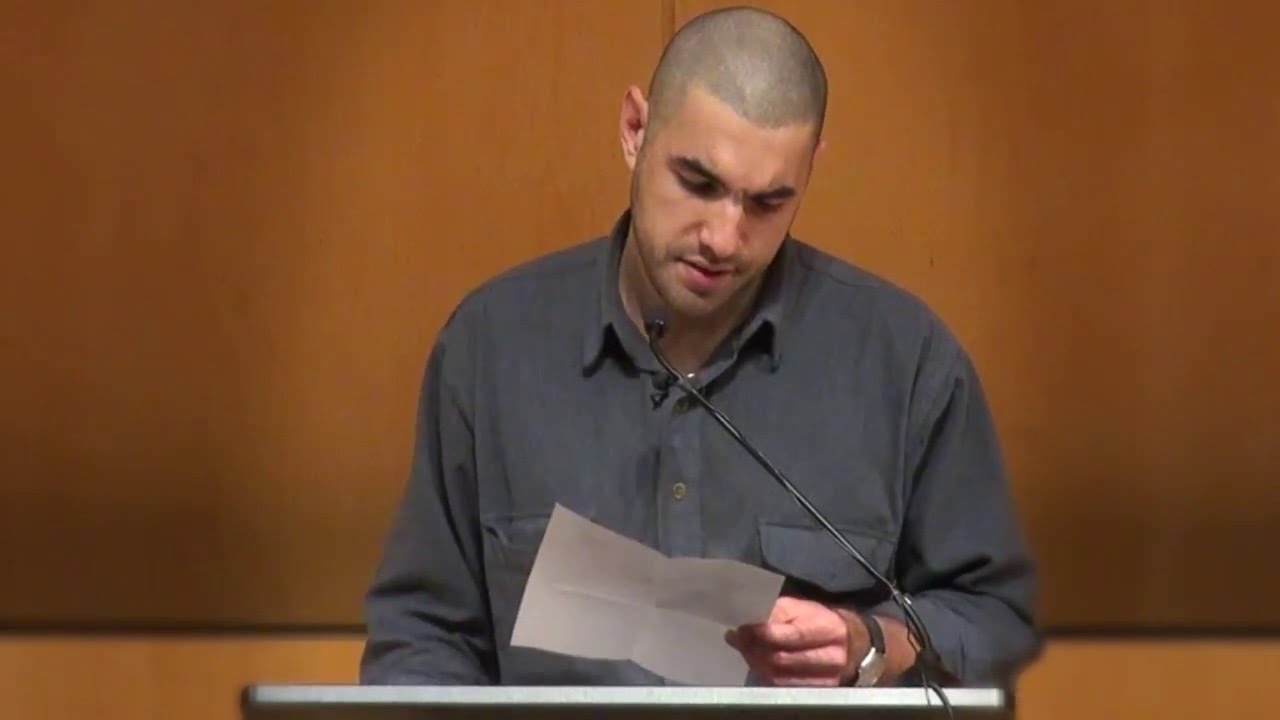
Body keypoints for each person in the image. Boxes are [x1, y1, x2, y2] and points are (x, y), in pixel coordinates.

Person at [360, 6, 1041, 689]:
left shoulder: (906, 363)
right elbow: (422, 636)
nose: (722, 237)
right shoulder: (490, 347)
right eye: (698, 183)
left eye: (767, 203)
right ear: (635, 130)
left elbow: (993, 622)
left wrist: (874, 647)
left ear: (810, 172)